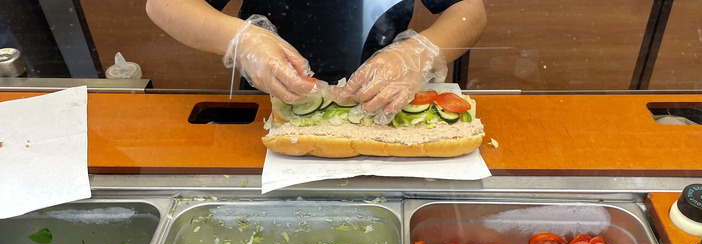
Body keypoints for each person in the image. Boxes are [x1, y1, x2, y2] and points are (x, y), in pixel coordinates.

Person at [145, 0, 486, 113]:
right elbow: (164, 3)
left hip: (385, 94)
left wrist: (417, 53)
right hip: (275, 93)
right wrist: (242, 40)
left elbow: (469, 9)